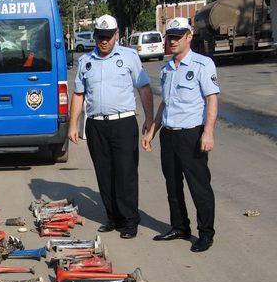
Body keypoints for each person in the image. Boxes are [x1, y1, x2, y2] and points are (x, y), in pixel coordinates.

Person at [68, 14, 154, 239]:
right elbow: (78, 93)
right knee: (104, 173)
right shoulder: (86, 61)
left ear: (116, 35)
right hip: (96, 125)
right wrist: (73, 125)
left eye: (108, 36)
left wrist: (149, 118)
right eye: (99, 37)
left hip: (123, 123)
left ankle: (130, 220)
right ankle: (113, 216)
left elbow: (143, 88)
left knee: (125, 173)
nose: (103, 41)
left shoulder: (129, 57)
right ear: (95, 36)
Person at [142, 17, 219, 253]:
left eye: (177, 36)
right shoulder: (167, 69)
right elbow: (165, 103)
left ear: (189, 36)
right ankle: (179, 226)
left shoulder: (202, 65)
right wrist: (152, 131)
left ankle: (205, 233)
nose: (172, 41)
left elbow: (212, 99)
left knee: (199, 186)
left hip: (192, 135)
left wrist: (208, 132)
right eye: (170, 37)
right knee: (172, 185)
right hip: (170, 134)